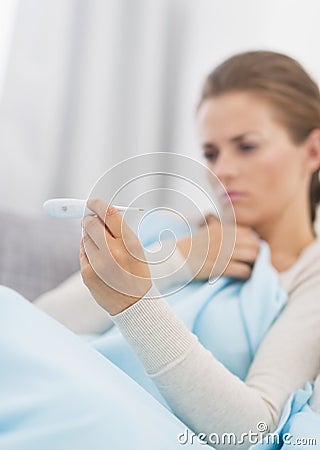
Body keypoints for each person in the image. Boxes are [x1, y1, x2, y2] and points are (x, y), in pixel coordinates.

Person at [79, 50, 320, 445]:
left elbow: (256, 428)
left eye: (246, 146)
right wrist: (175, 262)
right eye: (211, 153)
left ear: (313, 151)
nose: (221, 169)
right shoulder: (173, 236)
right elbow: (32, 320)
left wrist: (137, 304)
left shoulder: (310, 278)